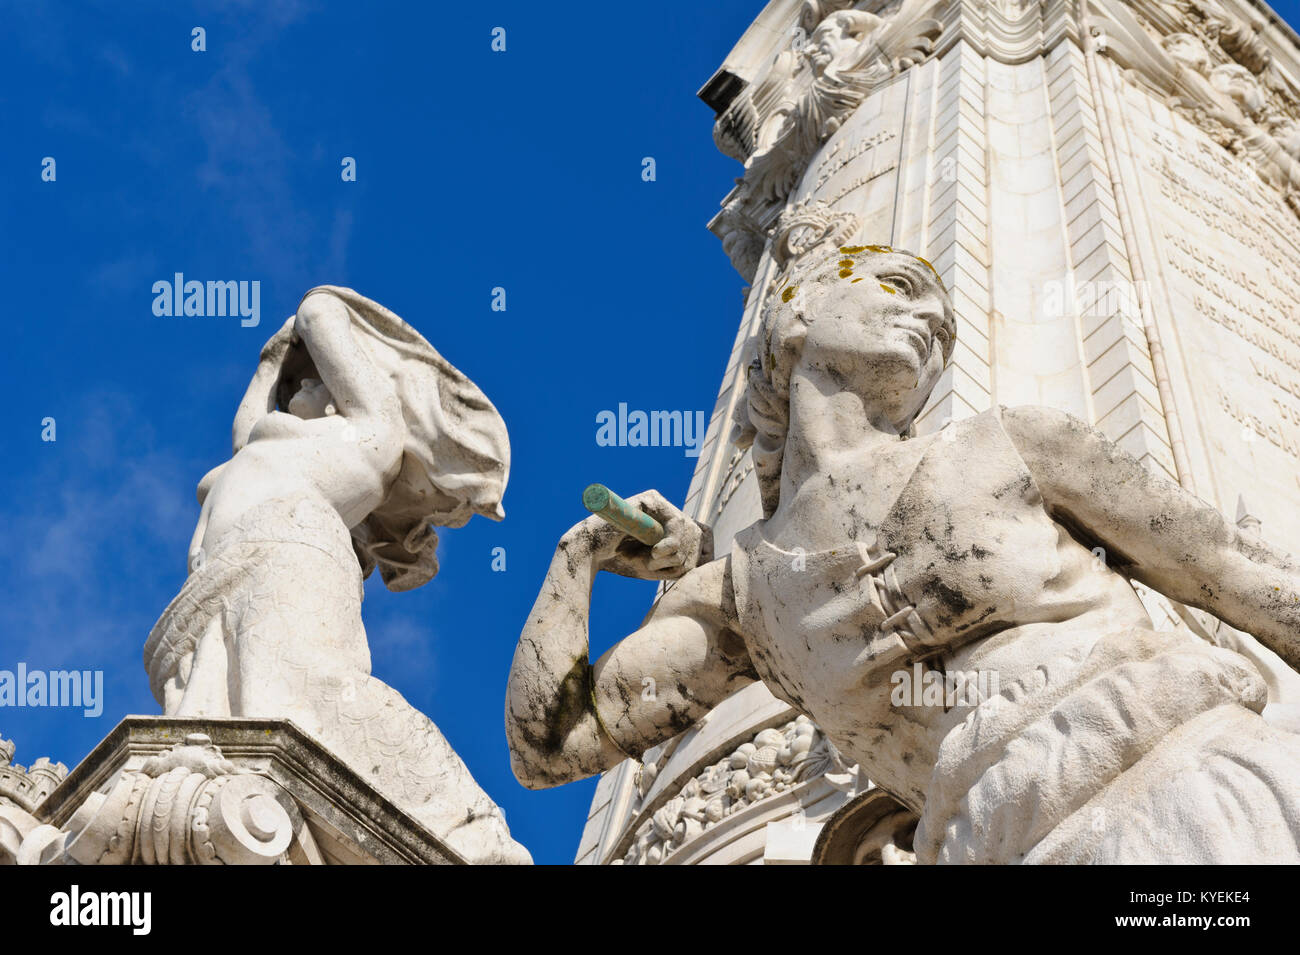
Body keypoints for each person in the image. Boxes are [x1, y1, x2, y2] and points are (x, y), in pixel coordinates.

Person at [506, 245, 1300, 863]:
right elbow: (552, 748)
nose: (931, 315)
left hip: (1190, 771)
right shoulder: (740, 600)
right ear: (798, 313)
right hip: (996, 839)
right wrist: (580, 554)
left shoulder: (1013, 444)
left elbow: (1240, 578)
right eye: (896, 287)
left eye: (943, 315)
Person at [147, 286, 530, 864]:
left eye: (314, 378)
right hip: (216, 587)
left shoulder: (364, 441)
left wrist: (314, 315)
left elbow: (335, 339)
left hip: (289, 561)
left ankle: (463, 827)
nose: (298, 384)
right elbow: (246, 428)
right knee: (231, 732)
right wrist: (272, 362)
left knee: (316, 698)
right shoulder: (268, 447)